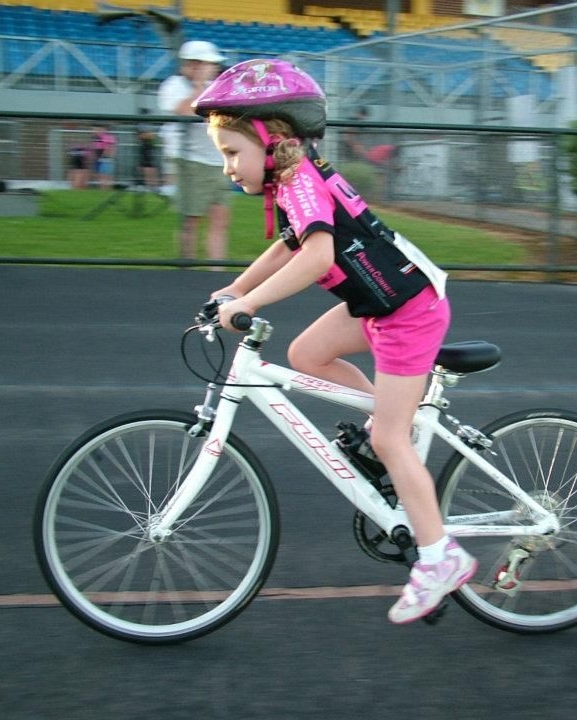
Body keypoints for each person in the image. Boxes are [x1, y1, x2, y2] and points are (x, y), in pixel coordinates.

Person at [193, 58, 477, 624]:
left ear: (271, 140)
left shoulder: (300, 182)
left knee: (394, 441)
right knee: (304, 355)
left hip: (408, 312)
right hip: (382, 303)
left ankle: (440, 557)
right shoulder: (296, 180)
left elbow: (318, 255)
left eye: (231, 152)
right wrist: (236, 287)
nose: (227, 167)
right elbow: (290, 246)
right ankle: (389, 421)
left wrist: (249, 304)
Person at [158, 40, 234, 265]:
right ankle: (187, 268)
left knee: (220, 219)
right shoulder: (174, 86)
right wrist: (200, 86)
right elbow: (184, 111)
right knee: (190, 219)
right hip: (190, 161)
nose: (214, 68)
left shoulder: (218, 85)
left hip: (217, 160)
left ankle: (216, 270)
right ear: (193, 64)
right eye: (209, 64)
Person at [136, 111, 159, 190]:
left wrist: (149, 135)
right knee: (145, 166)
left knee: (150, 166)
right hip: (145, 146)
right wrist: (148, 135)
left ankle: (152, 185)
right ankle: (148, 184)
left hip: (149, 146)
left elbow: (151, 136)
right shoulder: (142, 124)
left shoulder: (148, 125)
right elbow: (142, 136)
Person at [90, 124, 117, 190]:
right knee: (100, 176)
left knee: (106, 176)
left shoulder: (108, 137)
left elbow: (111, 149)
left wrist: (107, 158)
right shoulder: (96, 138)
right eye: (93, 130)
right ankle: (103, 190)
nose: (94, 131)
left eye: (96, 129)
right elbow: (95, 149)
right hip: (99, 159)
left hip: (105, 160)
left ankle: (107, 190)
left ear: (103, 129)